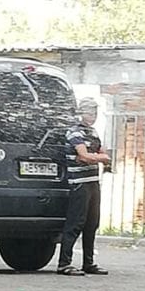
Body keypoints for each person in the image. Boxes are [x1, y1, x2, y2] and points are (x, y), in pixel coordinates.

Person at [57, 97, 111, 276]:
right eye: (89, 112)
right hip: (79, 184)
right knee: (75, 223)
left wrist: (93, 156)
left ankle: (89, 263)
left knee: (92, 223)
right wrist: (94, 156)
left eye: (95, 112)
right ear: (81, 113)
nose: (93, 116)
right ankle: (64, 263)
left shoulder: (93, 132)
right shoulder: (74, 132)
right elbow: (84, 155)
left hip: (93, 182)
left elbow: (101, 154)